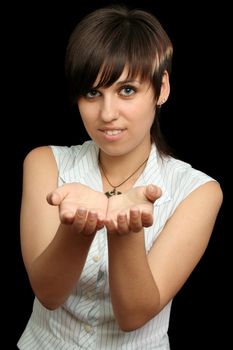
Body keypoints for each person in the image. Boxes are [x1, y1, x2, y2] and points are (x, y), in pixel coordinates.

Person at [17, 5, 223, 350]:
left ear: (161, 89)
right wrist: (77, 226)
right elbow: (49, 294)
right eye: (93, 93)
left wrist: (125, 229)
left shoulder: (198, 191)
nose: (107, 114)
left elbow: (134, 315)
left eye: (127, 90)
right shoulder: (45, 163)